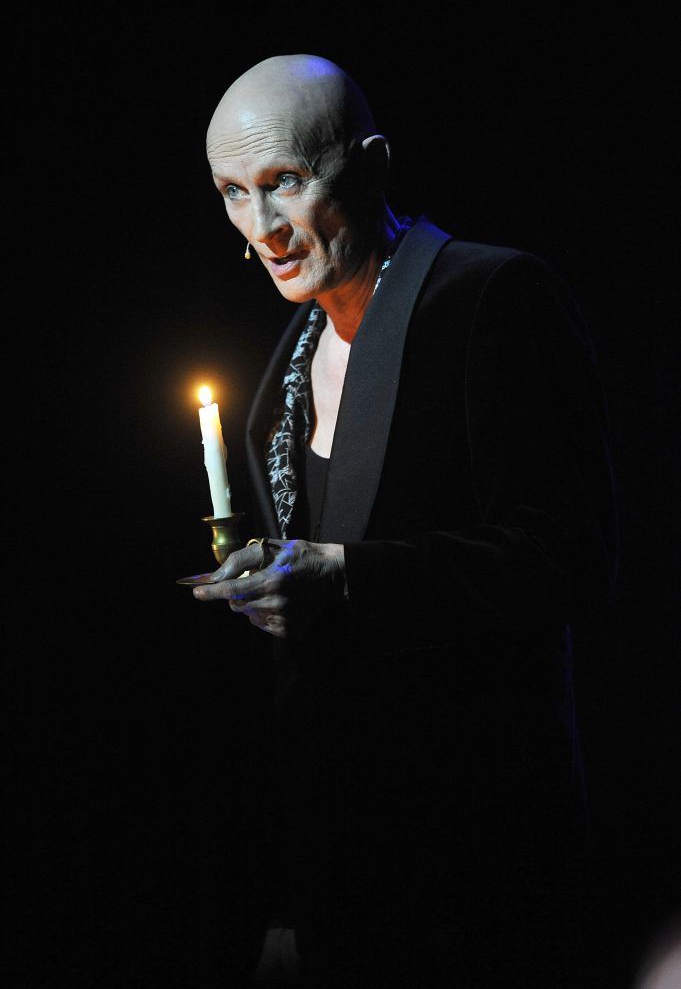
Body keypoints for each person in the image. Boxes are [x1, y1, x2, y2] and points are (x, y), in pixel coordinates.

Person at [192, 53, 619, 987]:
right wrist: (284, 900)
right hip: (339, 887)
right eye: (232, 193)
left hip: (477, 876)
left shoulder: (491, 297)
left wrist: (348, 577)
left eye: (283, 182)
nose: (261, 228)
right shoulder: (290, 359)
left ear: (372, 165)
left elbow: (566, 556)